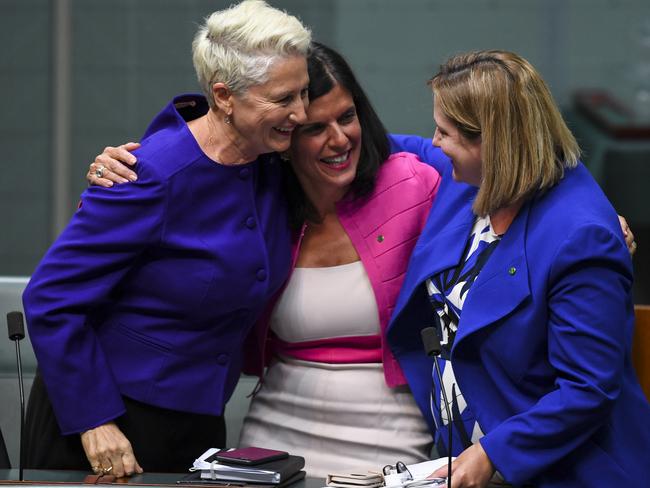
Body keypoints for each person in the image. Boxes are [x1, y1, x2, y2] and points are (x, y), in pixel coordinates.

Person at [86, 42, 442, 478]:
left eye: (347, 117)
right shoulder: (257, 198)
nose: (339, 139)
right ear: (284, 135)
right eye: (314, 128)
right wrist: (134, 166)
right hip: (276, 433)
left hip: (393, 434)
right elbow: (199, 151)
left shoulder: (414, 182)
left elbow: (472, 156)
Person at [22, 0, 311, 477]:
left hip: (196, 421)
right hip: (105, 422)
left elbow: (362, 149)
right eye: (284, 99)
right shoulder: (149, 174)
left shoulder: (266, 159)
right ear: (224, 96)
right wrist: (95, 420)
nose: (300, 113)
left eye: (303, 93)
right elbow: (51, 297)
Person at [387, 50, 650, 488]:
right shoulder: (471, 180)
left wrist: (491, 454)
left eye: (444, 132)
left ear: (491, 143)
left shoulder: (582, 236)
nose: (433, 141)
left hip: (564, 474)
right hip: (468, 462)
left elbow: (588, 389)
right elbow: (383, 147)